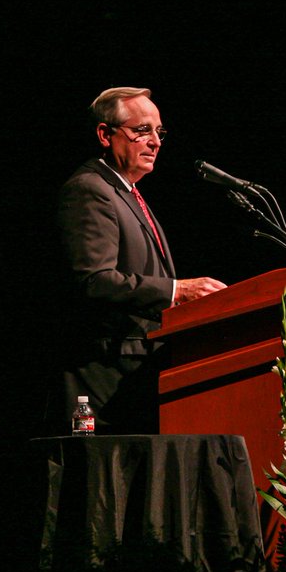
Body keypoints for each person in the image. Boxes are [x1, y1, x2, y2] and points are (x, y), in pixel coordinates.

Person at [55, 87, 226, 432]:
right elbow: (95, 280)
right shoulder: (90, 189)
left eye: (159, 132)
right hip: (106, 378)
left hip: (139, 373)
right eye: (142, 130)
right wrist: (177, 291)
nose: (155, 142)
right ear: (105, 135)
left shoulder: (127, 193)